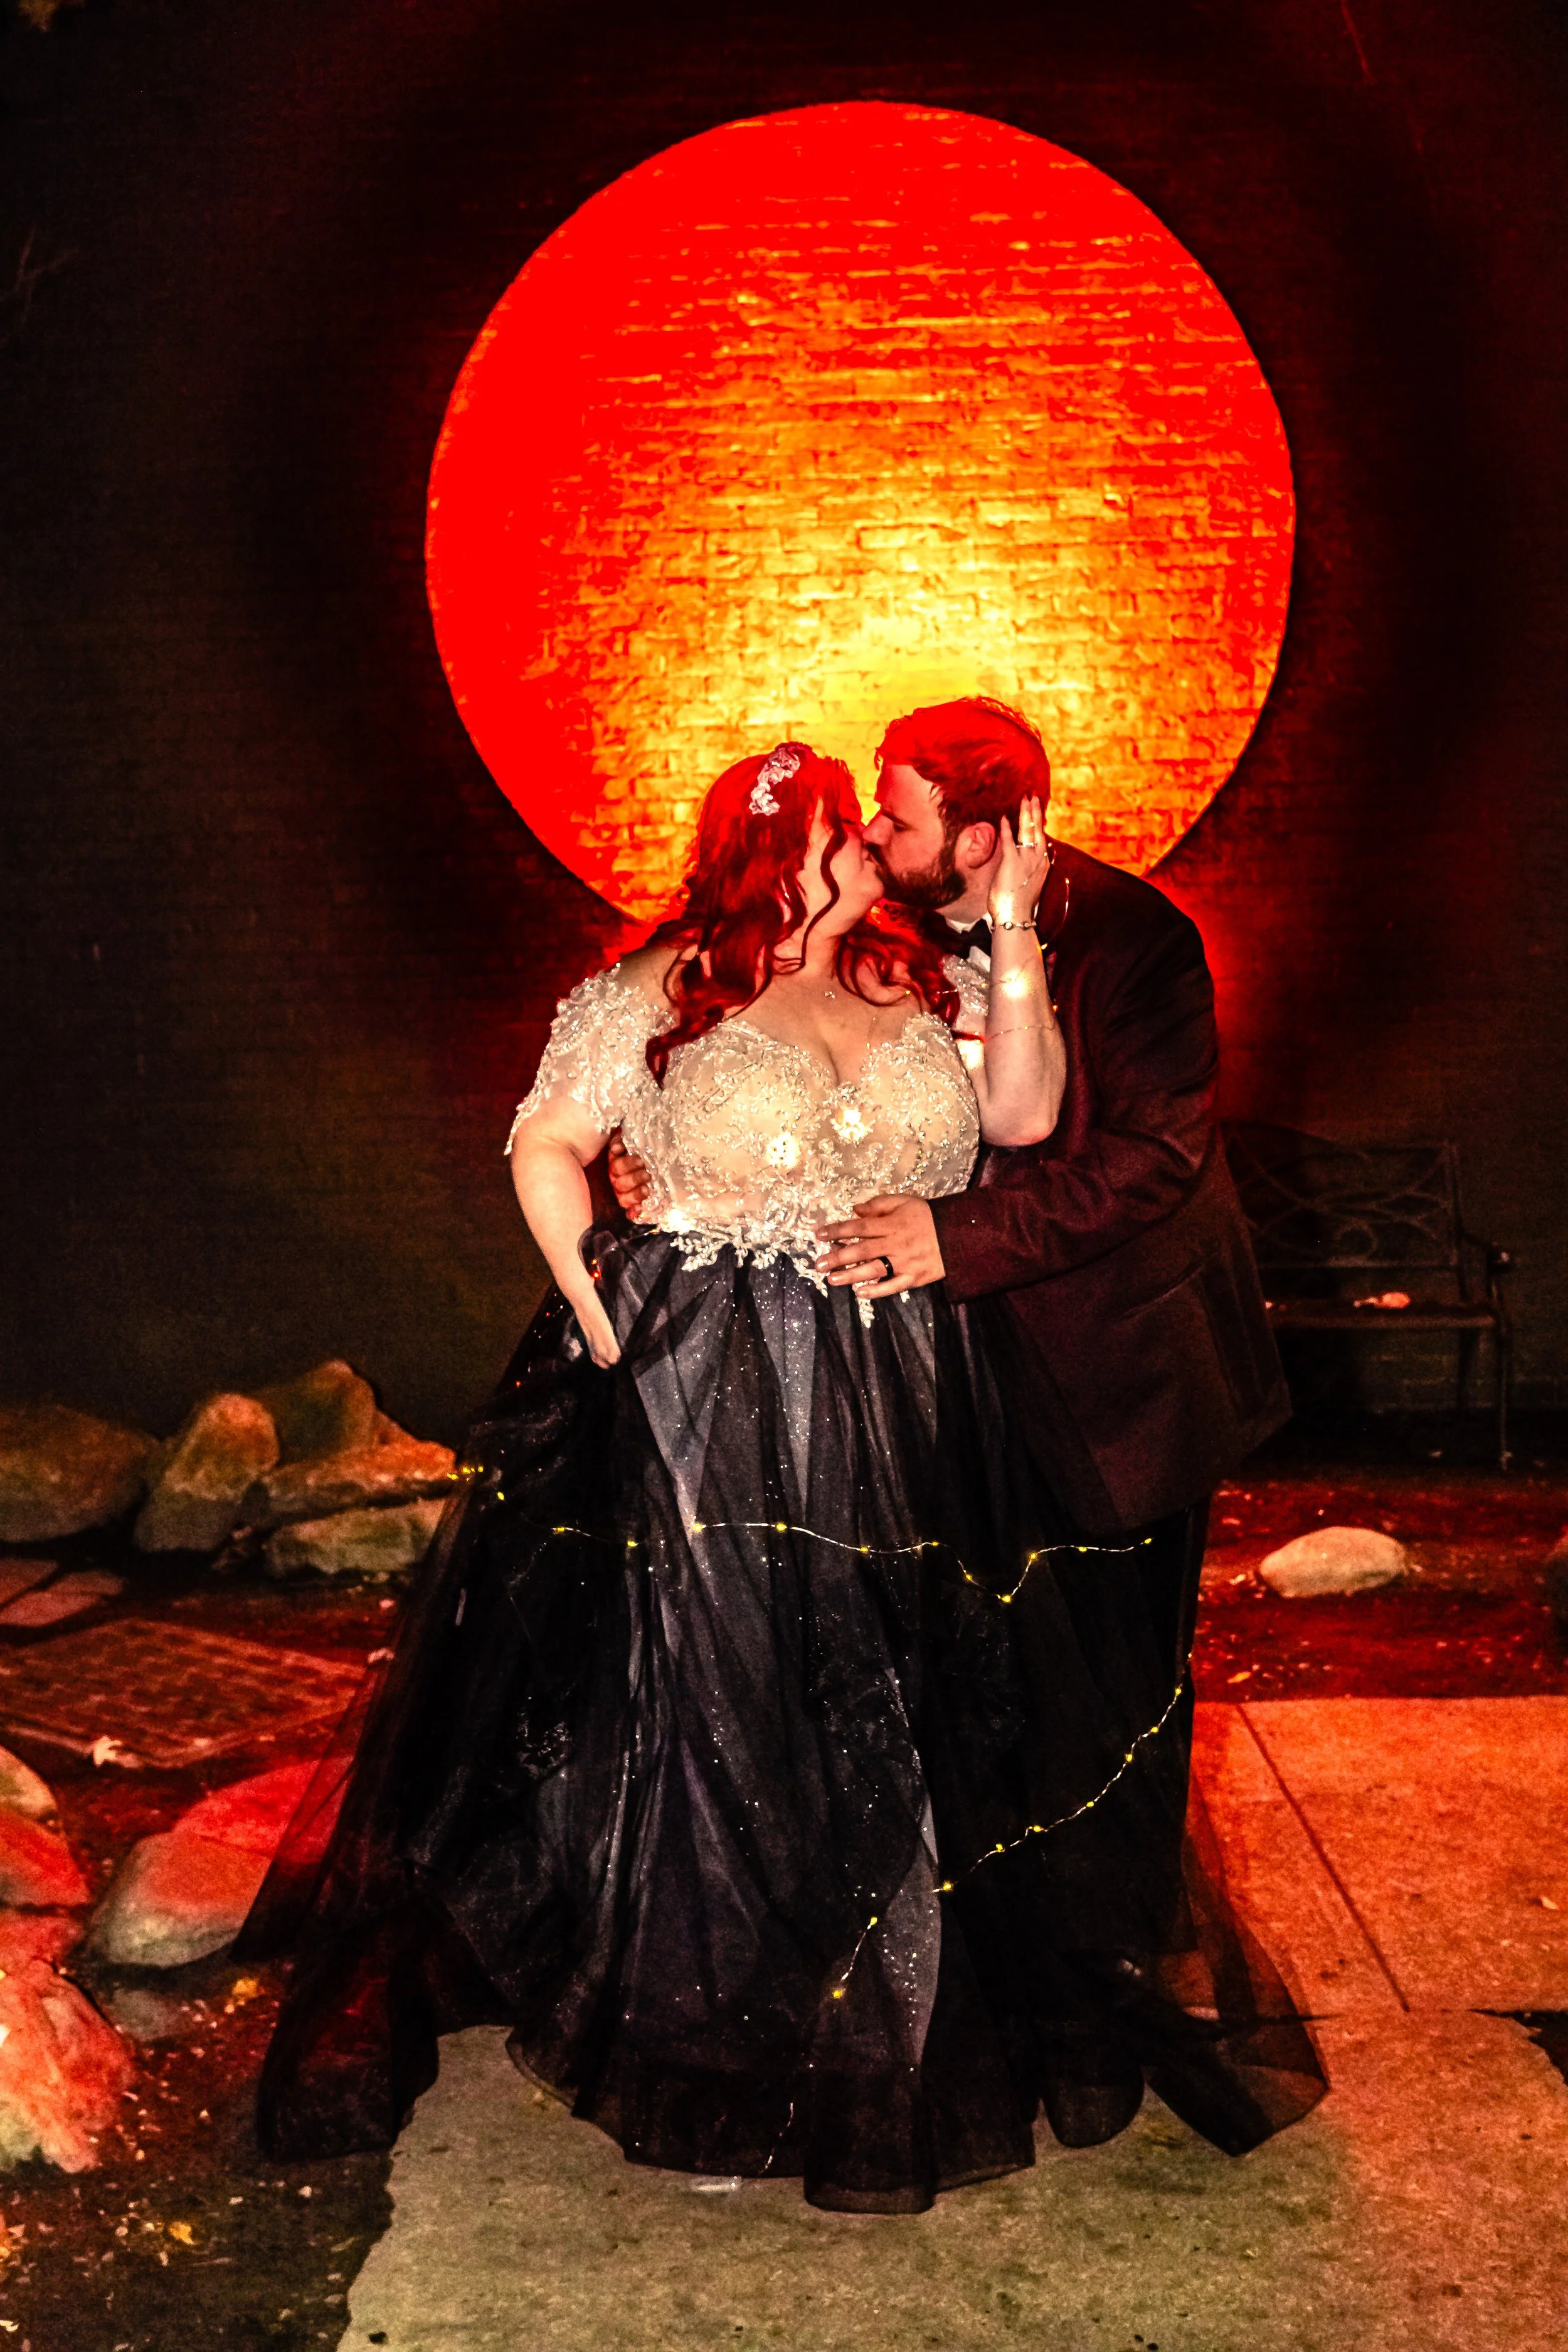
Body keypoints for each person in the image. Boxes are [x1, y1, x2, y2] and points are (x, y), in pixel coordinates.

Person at [242, 736, 1323, 2214]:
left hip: (911, 1392)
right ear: (789, 852)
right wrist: (594, 1300)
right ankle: (716, 2046)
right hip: (713, 1392)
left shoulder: (920, 980)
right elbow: (548, 1137)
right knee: (720, 1701)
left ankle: (893, 2018)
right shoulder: (667, 985)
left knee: (896, 1696)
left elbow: (1016, 1122)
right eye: (853, 829)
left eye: (890, 823)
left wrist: (1008, 935)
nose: (878, 844)